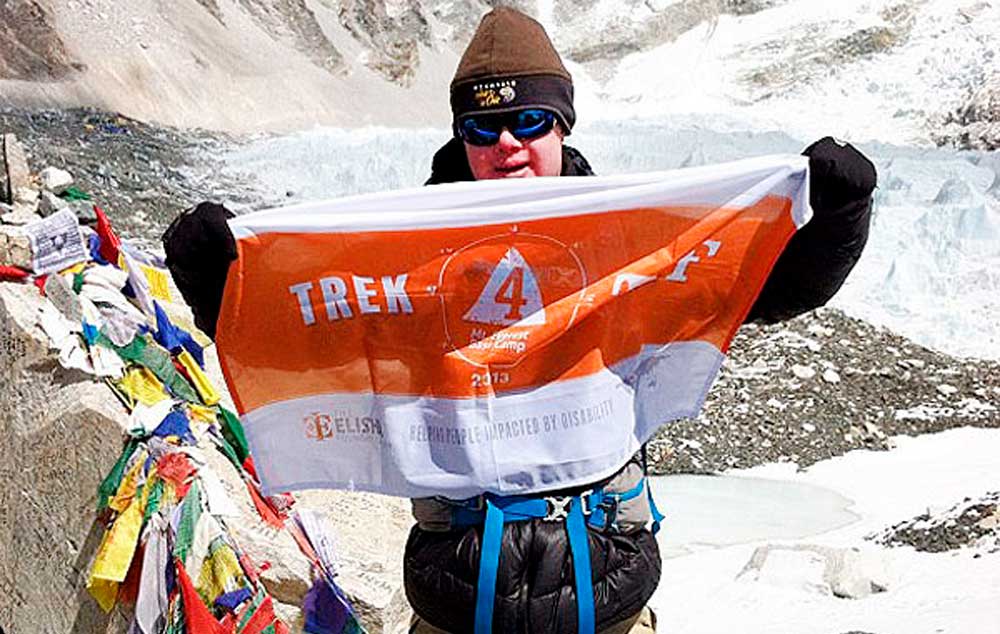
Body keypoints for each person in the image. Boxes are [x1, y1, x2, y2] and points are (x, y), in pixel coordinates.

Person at [164, 8, 876, 634]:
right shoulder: (402, 259)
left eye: (530, 121)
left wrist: (839, 217)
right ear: (460, 136)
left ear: (562, 125)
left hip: (609, 600)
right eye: (483, 126)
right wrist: (215, 283)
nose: (507, 144)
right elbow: (295, 339)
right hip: (457, 604)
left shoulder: (622, 242)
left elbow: (765, 292)